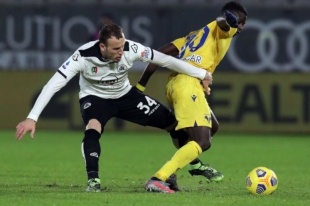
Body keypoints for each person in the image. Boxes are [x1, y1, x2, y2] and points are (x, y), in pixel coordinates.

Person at [15, 23, 213, 192]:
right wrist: (32, 117)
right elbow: (54, 84)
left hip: (125, 95)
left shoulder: (131, 48)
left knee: (172, 122)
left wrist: (201, 73)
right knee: (93, 127)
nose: (121, 52)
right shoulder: (83, 56)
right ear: (102, 47)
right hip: (95, 97)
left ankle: (183, 169)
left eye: (122, 46)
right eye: (116, 49)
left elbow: (166, 60)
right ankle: (93, 180)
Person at [136, 1, 248, 193]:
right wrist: (229, 20)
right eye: (241, 22)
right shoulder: (224, 30)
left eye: (242, 24)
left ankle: (181, 169)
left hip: (175, 85)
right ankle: (158, 178)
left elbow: (158, 54)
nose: (241, 28)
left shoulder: (193, 37)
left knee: (212, 125)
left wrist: (141, 85)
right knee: (203, 140)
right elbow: (223, 23)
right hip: (188, 84)